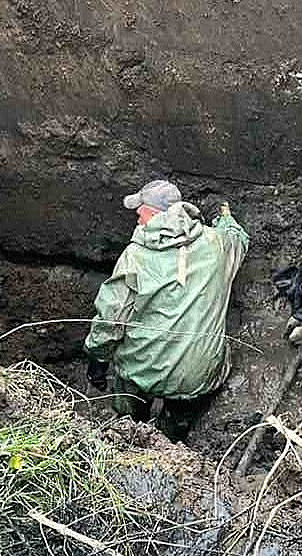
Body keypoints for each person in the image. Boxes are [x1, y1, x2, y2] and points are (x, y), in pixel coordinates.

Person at [85, 179, 249, 441]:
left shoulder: (135, 256)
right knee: (176, 426)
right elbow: (238, 238)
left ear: (153, 214)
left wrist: (97, 360)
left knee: (127, 420)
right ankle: (170, 442)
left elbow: (111, 320)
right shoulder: (216, 244)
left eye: (140, 213)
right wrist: (226, 218)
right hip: (196, 375)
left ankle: (128, 435)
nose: (137, 220)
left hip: (142, 369)